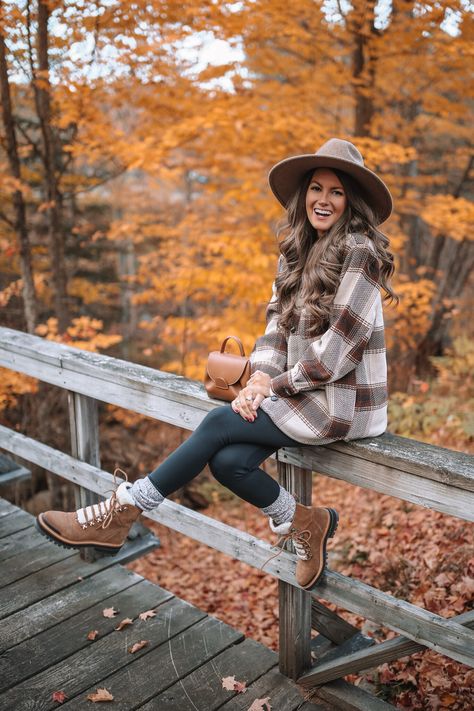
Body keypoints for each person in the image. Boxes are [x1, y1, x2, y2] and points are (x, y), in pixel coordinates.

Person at [36, 138, 396, 591]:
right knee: (228, 463)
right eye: (316, 188)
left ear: (352, 201)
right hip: (299, 391)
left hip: (341, 403)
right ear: (303, 193)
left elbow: (340, 350)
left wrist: (271, 386)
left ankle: (123, 510)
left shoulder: (361, 252)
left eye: (337, 192)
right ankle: (306, 523)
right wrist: (259, 378)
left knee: (215, 425)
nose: (323, 200)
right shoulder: (296, 249)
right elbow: (275, 329)